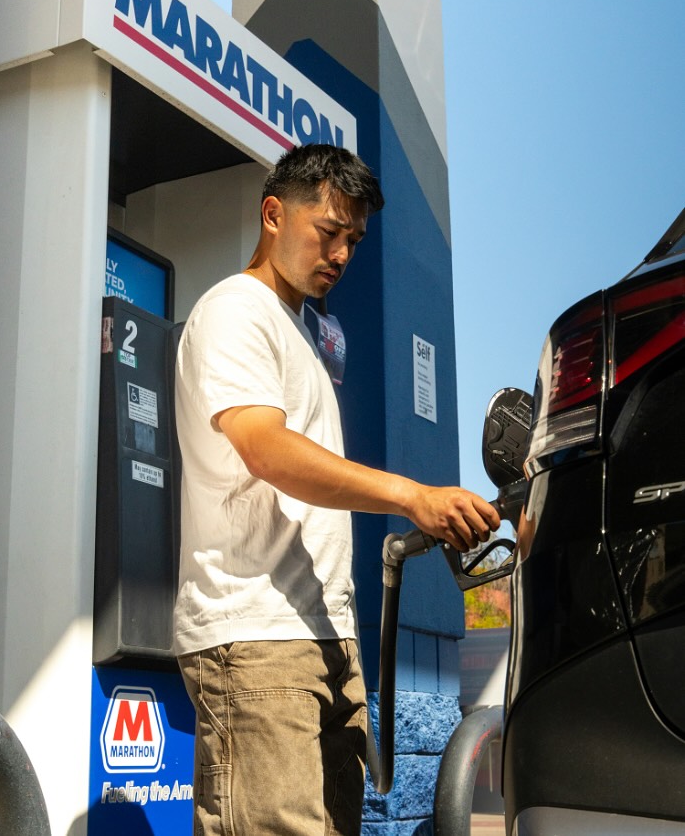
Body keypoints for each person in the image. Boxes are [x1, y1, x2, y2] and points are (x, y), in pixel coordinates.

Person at [174, 143, 500, 836]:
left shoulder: (301, 335)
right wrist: (410, 495)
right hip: (256, 637)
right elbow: (265, 450)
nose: (342, 253)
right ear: (273, 214)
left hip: (323, 637)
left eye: (353, 238)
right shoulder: (235, 310)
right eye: (328, 231)